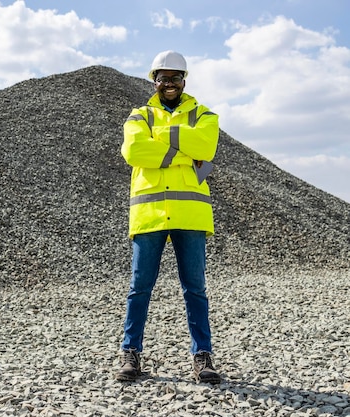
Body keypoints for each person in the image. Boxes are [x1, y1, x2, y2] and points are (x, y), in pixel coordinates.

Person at [116, 50, 221, 384]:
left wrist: (161, 140)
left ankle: (202, 356)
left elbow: (206, 148)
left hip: (190, 215)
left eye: (175, 77)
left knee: (195, 289)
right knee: (139, 287)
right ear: (155, 81)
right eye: (163, 78)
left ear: (184, 80)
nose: (170, 83)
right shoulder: (138, 115)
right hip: (149, 214)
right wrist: (183, 151)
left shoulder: (204, 114)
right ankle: (130, 354)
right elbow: (134, 152)